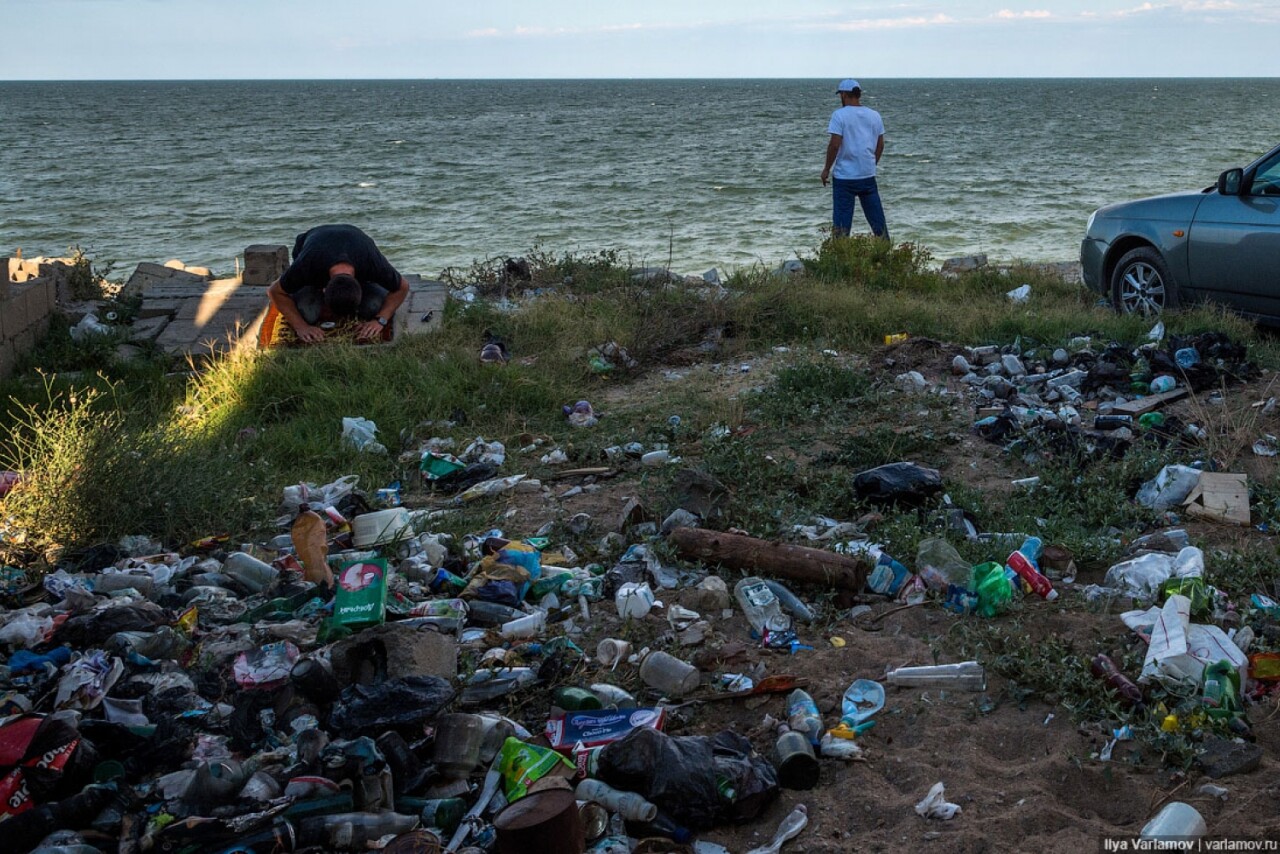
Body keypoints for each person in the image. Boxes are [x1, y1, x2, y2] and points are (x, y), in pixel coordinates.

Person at [267, 224, 410, 343]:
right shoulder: (308, 264)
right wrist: (301, 326)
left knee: (373, 308)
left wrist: (381, 320)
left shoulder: (370, 261)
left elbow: (403, 287)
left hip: (355, 240)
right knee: (307, 314)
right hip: (315, 244)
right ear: (323, 289)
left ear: (361, 285)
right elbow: (274, 291)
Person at [820, 78, 888, 240]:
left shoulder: (839, 115)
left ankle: (841, 257)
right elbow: (880, 145)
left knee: (842, 225)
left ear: (844, 95)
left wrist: (826, 169)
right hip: (867, 175)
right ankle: (886, 255)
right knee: (878, 222)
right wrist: (872, 163)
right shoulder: (874, 115)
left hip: (845, 177)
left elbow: (834, 145)